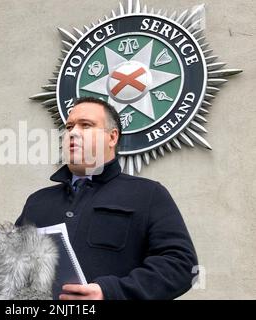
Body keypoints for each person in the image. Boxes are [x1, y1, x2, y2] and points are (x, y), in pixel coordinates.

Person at [15, 96, 198, 300]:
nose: (73, 133)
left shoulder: (148, 195)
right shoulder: (37, 202)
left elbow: (181, 265)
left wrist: (110, 292)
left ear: (112, 137)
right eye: (69, 127)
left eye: (86, 125)